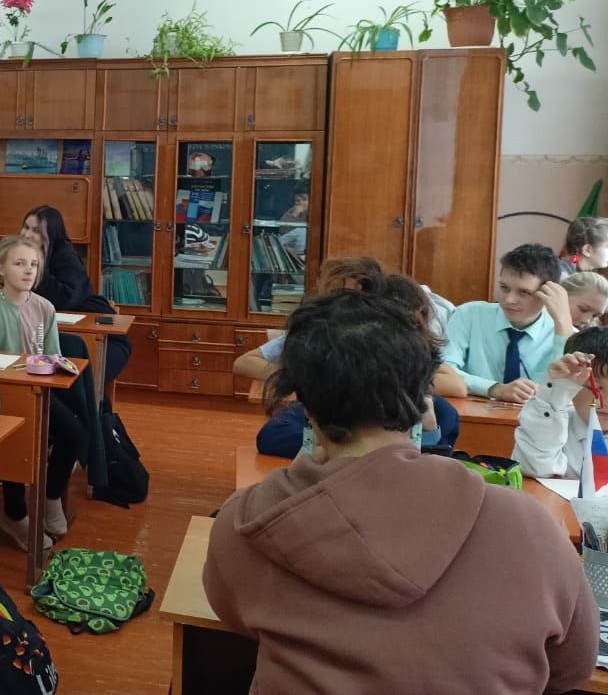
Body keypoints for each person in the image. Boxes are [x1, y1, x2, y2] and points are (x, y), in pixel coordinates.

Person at [206, 289, 597, 693]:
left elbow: (234, 617)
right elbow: (573, 666)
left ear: (303, 402)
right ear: (424, 394)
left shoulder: (248, 519)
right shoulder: (529, 524)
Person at [256, 274, 466, 457]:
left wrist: (429, 431)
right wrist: (335, 442)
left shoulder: (442, 413)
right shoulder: (333, 393)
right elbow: (271, 436)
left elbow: (434, 466)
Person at [0, 236, 85, 551]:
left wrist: (45, 366)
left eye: (33, 264)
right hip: (2, 394)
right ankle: (15, 513)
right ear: (0, 268)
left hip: (38, 391)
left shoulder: (44, 308)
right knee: (17, 441)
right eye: (20, 263)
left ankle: (50, 496)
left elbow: (54, 356)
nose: (28, 270)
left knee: (73, 432)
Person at [443, 243, 569, 402]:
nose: (509, 299)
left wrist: (563, 323)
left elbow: (564, 390)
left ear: (549, 294)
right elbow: (443, 371)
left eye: (524, 292)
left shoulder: (561, 331)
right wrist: (494, 388)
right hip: (471, 413)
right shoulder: (469, 314)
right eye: (504, 288)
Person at [19, 204, 130, 382]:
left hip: (103, 337)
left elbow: (64, 299)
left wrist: (38, 266)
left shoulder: (64, 254)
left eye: (36, 231)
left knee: (71, 378)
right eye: (26, 227)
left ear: (52, 234)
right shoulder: (21, 255)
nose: (27, 235)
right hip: (56, 333)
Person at [233, 255, 384, 383]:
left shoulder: (380, 336)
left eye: (346, 293)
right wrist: (300, 380)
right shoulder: (313, 329)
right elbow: (242, 363)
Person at [513, 327, 608, 496]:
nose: (605, 400)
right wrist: (557, 392)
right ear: (573, 387)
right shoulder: (552, 423)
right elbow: (535, 468)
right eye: (595, 387)